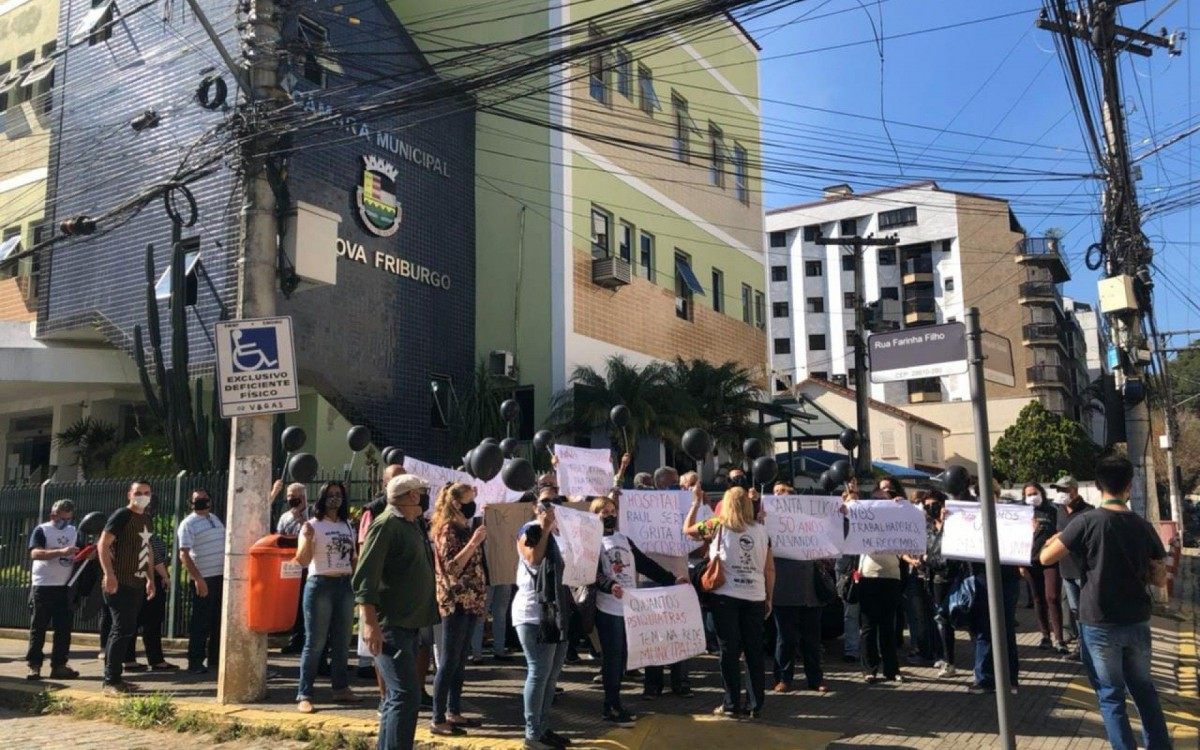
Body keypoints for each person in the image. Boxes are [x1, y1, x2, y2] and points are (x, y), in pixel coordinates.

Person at [1040, 456, 1171, 750]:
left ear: (1097, 486)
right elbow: (1161, 579)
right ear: (1129, 485)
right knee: (1144, 691)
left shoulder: (1085, 523)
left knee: (1111, 696)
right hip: (1136, 619)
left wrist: (1058, 537)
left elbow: (1045, 558)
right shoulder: (1142, 525)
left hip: (1098, 621)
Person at [355, 474, 439, 750]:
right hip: (391, 625)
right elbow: (365, 577)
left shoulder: (411, 525)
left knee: (398, 697)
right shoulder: (386, 525)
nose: (426, 496)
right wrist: (369, 624)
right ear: (412, 496)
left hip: (410, 624)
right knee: (406, 695)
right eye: (422, 491)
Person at [591, 493, 685, 725]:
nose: (611, 516)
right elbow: (593, 573)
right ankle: (610, 706)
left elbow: (645, 564)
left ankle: (614, 702)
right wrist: (609, 585)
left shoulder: (624, 539)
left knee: (622, 657)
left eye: (613, 512)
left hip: (629, 608)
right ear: (594, 517)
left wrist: (672, 580)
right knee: (612, 659)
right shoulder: (592, 542)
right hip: (609, 607)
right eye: (605, 513)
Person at [684, 486, 774, 719]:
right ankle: (756, 704)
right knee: (754, 651)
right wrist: (769, 596)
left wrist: (695, 504)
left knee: (729, 650)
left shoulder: (716, 525)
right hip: (754, 595)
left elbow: (687, 531)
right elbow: (769, 568)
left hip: (725, 596)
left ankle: (731, 703)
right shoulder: (762, 531)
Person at [293, 480, 360, 713]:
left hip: (344, 584)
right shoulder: (312, 525)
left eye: (338, 494)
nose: (335, 498)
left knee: (342, 642)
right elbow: (301, 561)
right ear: (322, 498)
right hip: (320, 583)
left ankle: (340, 688)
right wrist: (309, 539)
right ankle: (305, 693)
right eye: (330, 494)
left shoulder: (347, 525)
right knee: (316, 642)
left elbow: (353, 557)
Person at [428, 482, 487, 737]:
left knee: (461, 660)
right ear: (455, 502)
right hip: (455, 601)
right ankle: (437, 716)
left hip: (471, 600)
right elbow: (451, 567)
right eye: (468, 499)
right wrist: (473, 543)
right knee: (449, 659)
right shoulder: (447, 530)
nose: (472, 504)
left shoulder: (463, 526)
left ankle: (454, 710)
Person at [512, 499, 572, 750]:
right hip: (533, 612)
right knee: (538, 672)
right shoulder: (530, 530)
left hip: (557, 612)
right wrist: (545, 528)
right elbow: (534, 558)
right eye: (545, 507)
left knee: (552, 675)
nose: (550, 512)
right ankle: (531, 733)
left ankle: (543, 727)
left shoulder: (564, 534)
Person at [96, 481, 158, 695]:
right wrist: (109, 574)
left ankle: (116, 678)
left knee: (127, 629)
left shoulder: (146, 519)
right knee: (121, 629)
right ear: (129, 495)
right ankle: (111, 680)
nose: (142, 496)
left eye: (146, 493)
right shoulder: (122, 515)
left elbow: (146, 549)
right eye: (138, 493)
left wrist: (150, 578)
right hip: (120, 581)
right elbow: (102, 544)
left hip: (137, 581)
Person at [770, 482, 827, 694]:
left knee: (812, 640)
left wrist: (843, 516)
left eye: (784, 498)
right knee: (785, 639)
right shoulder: (771, 523)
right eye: (776, 496)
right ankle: (783, 678)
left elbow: (837, 536)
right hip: (784, 589)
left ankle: (815, 678)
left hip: (809, 591)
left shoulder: (810, 522)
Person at [642, 465, 693, 699]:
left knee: (679, 633)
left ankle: (680, 683)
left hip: (679, 577)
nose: (679, 487)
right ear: (661, 484)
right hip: (650, 581)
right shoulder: (643, 505)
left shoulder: (685, 506)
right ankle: (653, 685)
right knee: (654, 636)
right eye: (674, 484)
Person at [26, 499, 81, 681]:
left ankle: (59, 665)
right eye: (61, 518)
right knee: (38, 627)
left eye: (68, 519)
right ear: (53, 515)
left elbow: (78, 552)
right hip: (43, 585)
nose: (64, 522)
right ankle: (34, 665)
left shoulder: (73, 531)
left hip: (65, 586)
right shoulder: (42, 530)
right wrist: (60, 552)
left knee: (63, 629)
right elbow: (35, 553)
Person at [177, 488, 226, 674]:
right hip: (204, 578)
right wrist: (198, 579)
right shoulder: (188, 524)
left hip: (220, 577)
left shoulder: (215, 519)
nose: (202, 502)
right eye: (198, 500)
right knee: (200, 621)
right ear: (191, 503)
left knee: (217, 620)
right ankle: (195, 661)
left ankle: (215, 659)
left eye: (205, 498)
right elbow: (184, 554)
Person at [919, 490, 962, 678]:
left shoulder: (954, 524)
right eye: (926, 506)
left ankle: (953, 661)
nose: (931, 508)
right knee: (941, 620)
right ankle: (947, 660)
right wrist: (927, 559)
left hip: (955, 578)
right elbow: (926, 553)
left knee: (957, 619)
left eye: (934, 504)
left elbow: (945, 556)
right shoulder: (927, 527)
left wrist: (945, 525)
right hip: (934, 581)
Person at [123, 524, 174, 673]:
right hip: (145, 579)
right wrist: (164, 575)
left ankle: (135, 659)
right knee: (147, 621)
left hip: (144, 579)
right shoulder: (141, 534)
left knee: (145, 620)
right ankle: (147, 660)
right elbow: (153, 557)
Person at [1023, 482, 1067, 654]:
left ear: (1041, 493)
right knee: (1038, 598)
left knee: (1053, 597)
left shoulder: (1052, 511)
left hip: (1050, 560)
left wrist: (1052, 540)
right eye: (1028, 494)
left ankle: (1060, 639)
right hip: (1030, 561)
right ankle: (1045, 636)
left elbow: (1061, 531)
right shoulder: (1024, 514)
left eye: (1035, 493)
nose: (1032, 497)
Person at [1052, 474, 1093, 661]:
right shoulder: (1059, 510)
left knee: (1086, 613)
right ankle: (1081, 648)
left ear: (1074, 491)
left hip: (1083, 571)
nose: (1060, 494)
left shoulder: (1088, 512)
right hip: (1066, 570)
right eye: (1058, 490)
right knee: (1075, 611)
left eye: (1064, 490)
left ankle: (1088, 649)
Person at [276, 481, 309, 655]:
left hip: (307, 565)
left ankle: (306, 640)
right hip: (290, 564)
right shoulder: (285, 517)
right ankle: (295, 639)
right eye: (289, 497)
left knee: (306, 603)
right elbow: (279, 538)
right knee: (293, 603)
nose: (292, 501)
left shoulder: (312, 514)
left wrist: (302, 518)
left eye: (296, 497)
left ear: (303, 498)